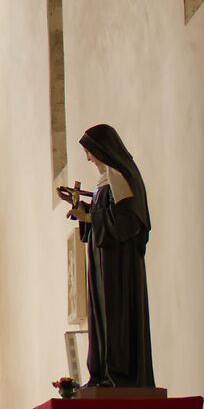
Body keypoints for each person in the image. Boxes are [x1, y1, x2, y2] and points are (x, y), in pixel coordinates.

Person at [59, 124, 154, 388]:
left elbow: (126, 219)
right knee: (101, 314)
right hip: (103, 260)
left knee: (116, 315)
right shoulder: (107, 179)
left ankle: (118, 374)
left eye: (89, 152)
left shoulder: (120, 175)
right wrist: (83, 211)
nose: (88, 158)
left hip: (118, 266)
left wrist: (88, 216)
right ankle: (101, 373)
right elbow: (106, 213)